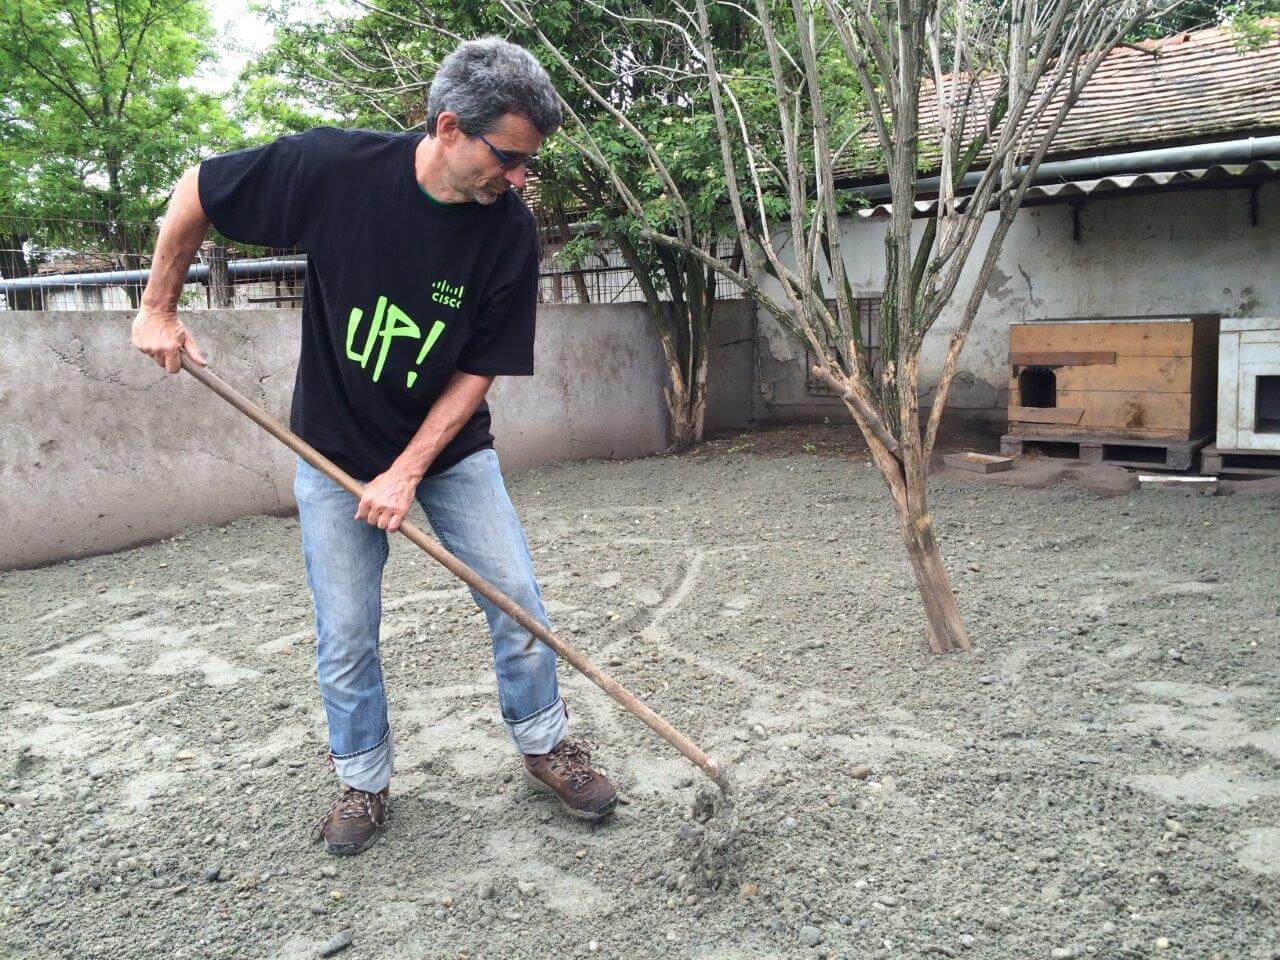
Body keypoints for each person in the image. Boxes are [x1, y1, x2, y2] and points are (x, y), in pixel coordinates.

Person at [131, 37, 618, 856]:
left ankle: (544, 744)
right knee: (347, 629)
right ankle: (362, 779)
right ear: (450, 127)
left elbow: (480, 367)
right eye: (508, 157)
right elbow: (199, 188)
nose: (518, 177)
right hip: (334, 448)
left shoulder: (508, 231)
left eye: (529, 163)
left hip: (449, 450)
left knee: (515, 596)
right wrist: (157, 306)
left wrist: (407, 469)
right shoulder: (334, 171)